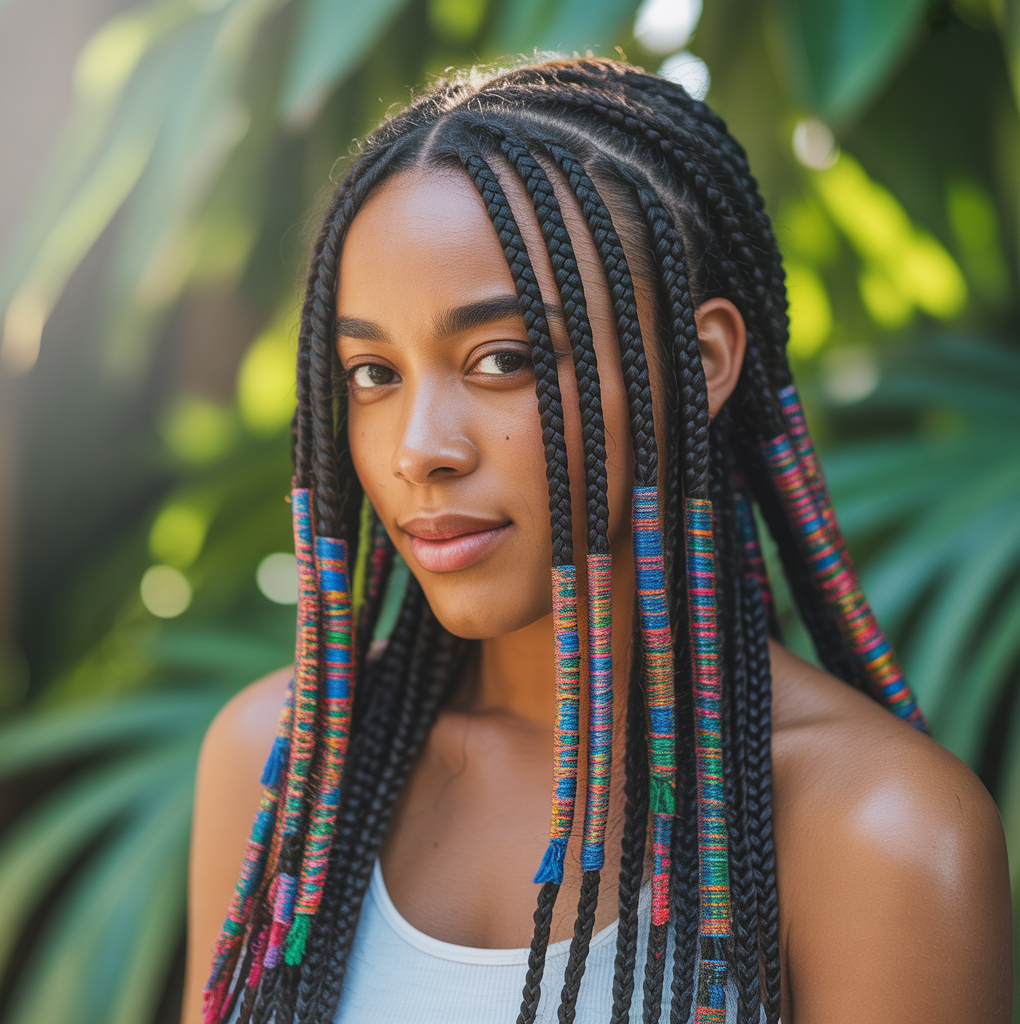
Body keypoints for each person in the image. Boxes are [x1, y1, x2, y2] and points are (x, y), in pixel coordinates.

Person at [180, 57, 1012, 1024]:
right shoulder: (282, 762)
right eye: (372, 373)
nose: (419, 452)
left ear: (695, 367)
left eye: (502, 359)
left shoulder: (878, 829)